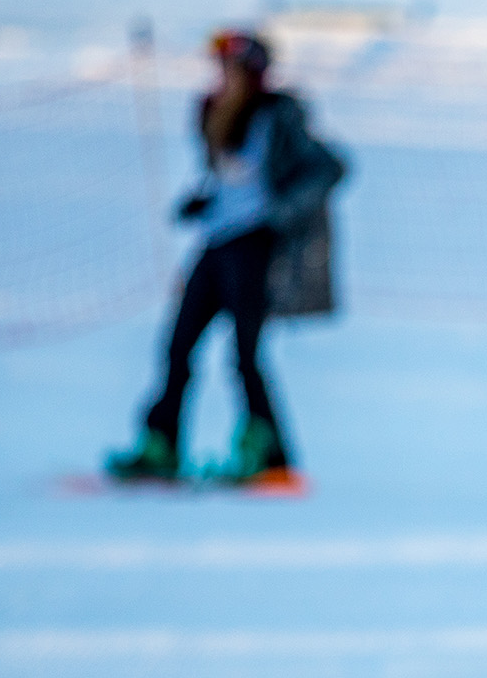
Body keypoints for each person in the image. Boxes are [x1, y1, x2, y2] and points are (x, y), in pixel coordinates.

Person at [109, 29, 347, 485]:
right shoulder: (215, 114)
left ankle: (269, 454)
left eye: (231, 68)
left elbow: (329, 167)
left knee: (244, 355)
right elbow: (228, 179)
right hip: (217, 244)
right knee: (178, 346)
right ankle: (160, 445)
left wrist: (283, 211)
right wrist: (203, 202)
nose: (222, 76)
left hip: (255, 247)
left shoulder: (278, 116)